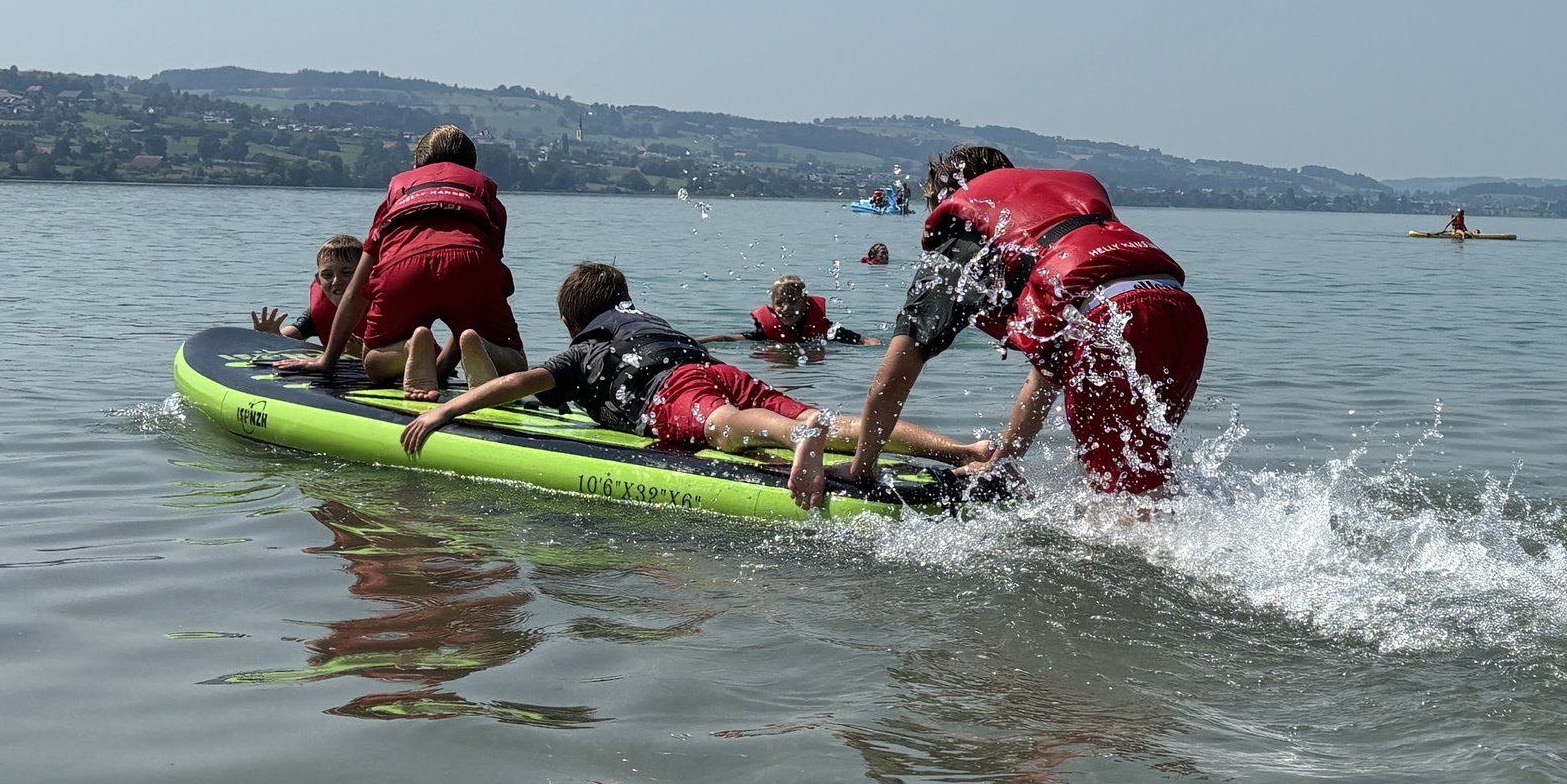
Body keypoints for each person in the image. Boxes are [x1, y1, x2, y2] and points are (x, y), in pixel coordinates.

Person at [399, 263, 991, 505]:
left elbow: (523, 380)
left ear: (572, 322)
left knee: (723, 427)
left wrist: (444, 413)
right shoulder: (646, 320)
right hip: (714, 368)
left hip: (671, 391)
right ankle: (965, 450)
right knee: (839, 423)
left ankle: (798, 436)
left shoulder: (587, 347)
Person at [832, 145, 1208, 500]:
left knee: (1127, 498)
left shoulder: (966, 229)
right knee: (1138, 470)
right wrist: (1005, 462)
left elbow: (895, 372)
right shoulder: (1055, 217)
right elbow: (1047, 374)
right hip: (1181, 314)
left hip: (1113, 320)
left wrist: (862, 468)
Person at [276, 125, 526, 399]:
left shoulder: (399, 195)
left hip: (404, 267)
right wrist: (449, 362)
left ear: (416, 166)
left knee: (373, 361)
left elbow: (356, 290)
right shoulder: (483, 192)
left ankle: (409, 349)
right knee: (515, 363)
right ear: (471, 167)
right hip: (470, 260)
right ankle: (483, 349)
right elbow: (488, 270)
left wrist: (328, 360)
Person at [252, 234, 365, 356]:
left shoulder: (378, 310)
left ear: (367, 273)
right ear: (318, 280)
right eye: (327, 275)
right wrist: (272, 335)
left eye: (347, 273)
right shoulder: (320, 311)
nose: (336, 281)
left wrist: (363, 354)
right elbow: (292, 334)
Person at [697, 274, 881, 347]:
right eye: (780, 303)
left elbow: (864, 340)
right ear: (772, 305)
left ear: (804, 303)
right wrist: (694, 341)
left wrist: (876, 346)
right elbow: (728, 338)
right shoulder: (766, 332)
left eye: (793, 302)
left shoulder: (826, 329)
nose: (786, 309)